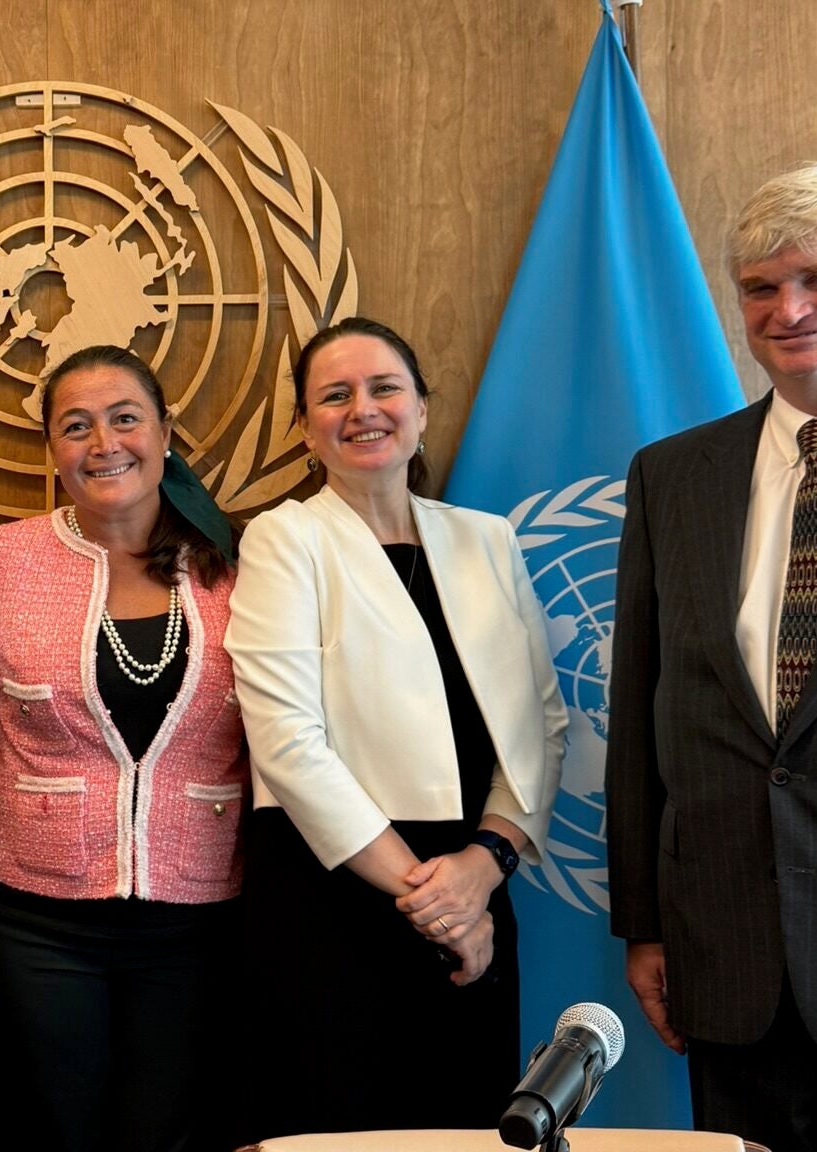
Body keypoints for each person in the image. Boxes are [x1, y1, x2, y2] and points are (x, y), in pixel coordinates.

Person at [225, 316, 565, 1137]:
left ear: (420, 410)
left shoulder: (487, 539)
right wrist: (438, 903)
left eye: (384, 388)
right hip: (335, 887)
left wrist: (483, 870)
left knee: (471, 1122)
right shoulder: (284, 538)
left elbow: (544, 728)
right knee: (342, 1125)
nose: (362, 409)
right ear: (307, 430)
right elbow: (288, 745)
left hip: (479, 869)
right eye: (333, 396)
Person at [607, 161, 817, 1152]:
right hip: (726, 957)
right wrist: (644, 922)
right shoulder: (674, 476)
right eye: (760, 288)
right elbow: (640, 712)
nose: (789, 308)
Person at [0, 344, 245, 1152]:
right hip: (33, 914)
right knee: (51, 1125)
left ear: (164, 432)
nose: (102, 443)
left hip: (195, 910)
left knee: (169, 1128)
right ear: (51, 449)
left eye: (125, 419)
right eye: (74, 427)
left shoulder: (236, 564)